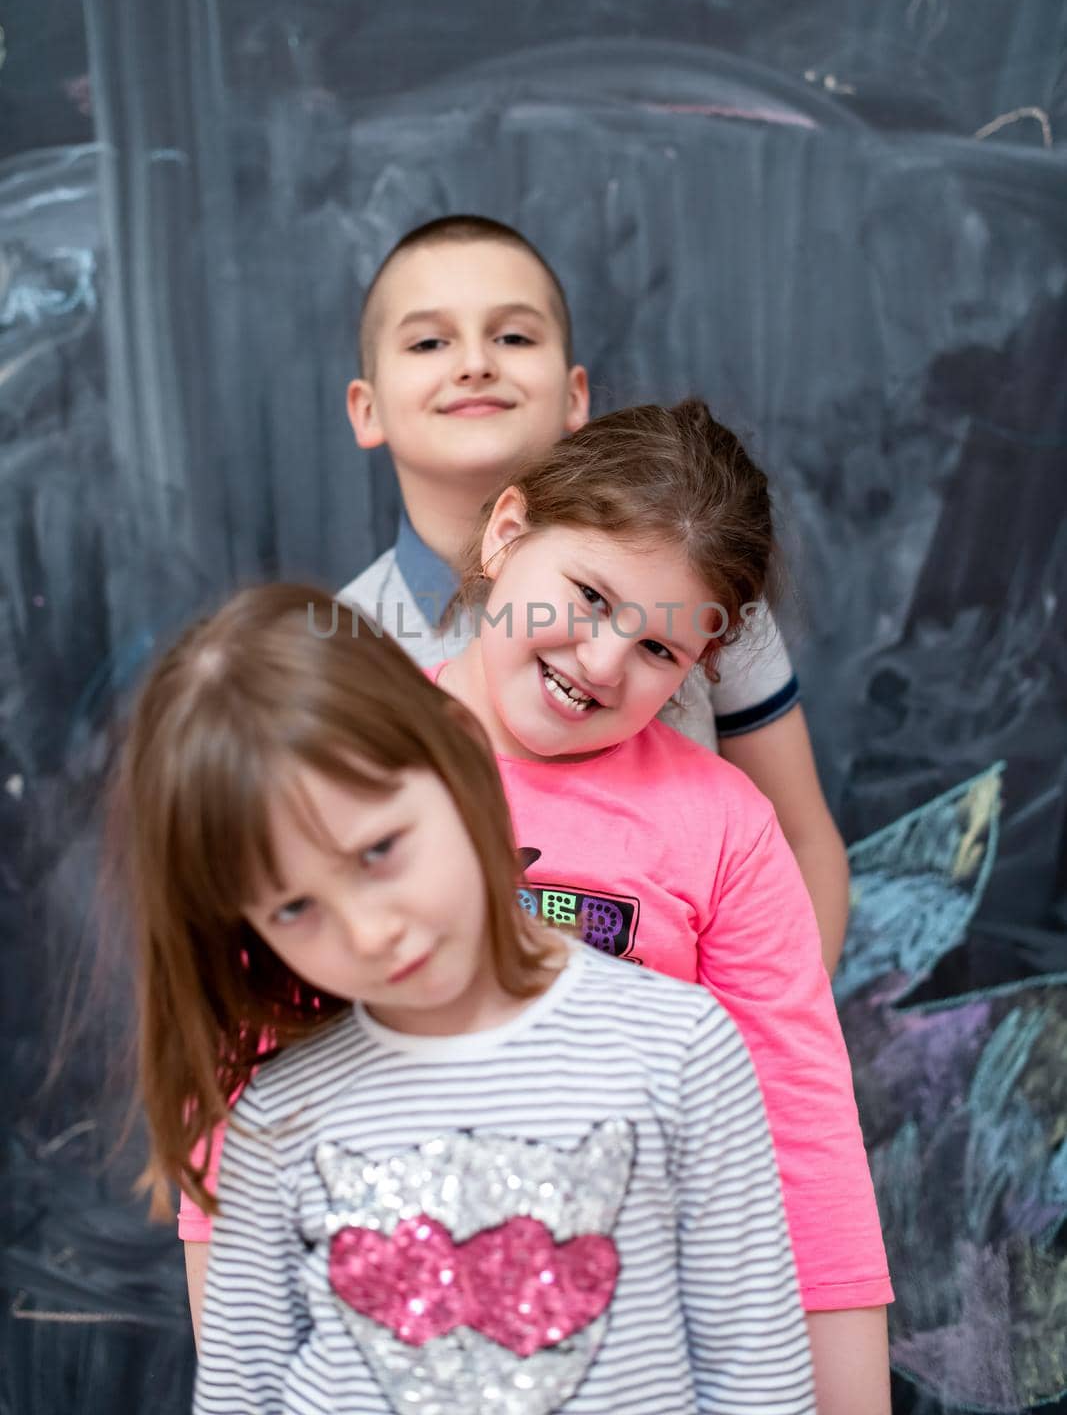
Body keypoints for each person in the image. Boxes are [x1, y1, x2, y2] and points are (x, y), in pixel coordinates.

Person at [114, 584, 816, 1415]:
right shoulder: (279, 1123)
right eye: (294, 908)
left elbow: (756, 1378)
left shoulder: (679, 1050)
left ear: (456, 756)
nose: (369, 931)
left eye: (378, 851)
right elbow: (243, 1397)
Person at [431, 400, 892, 1415]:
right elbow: (240, 1104)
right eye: (588, 596)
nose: (600, 662)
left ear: (700, 671)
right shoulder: (343, 766)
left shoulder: (723, 829)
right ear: (508, 532)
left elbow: (802, 1140)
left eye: (658, 652)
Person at [340, 215, 850, 970]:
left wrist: (754, 1054)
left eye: (514, 337)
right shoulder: (341, 650)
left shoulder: (696, 595)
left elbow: (802, 841)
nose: (475, 363)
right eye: (427, 342)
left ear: (576, 395)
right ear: (367, 407)